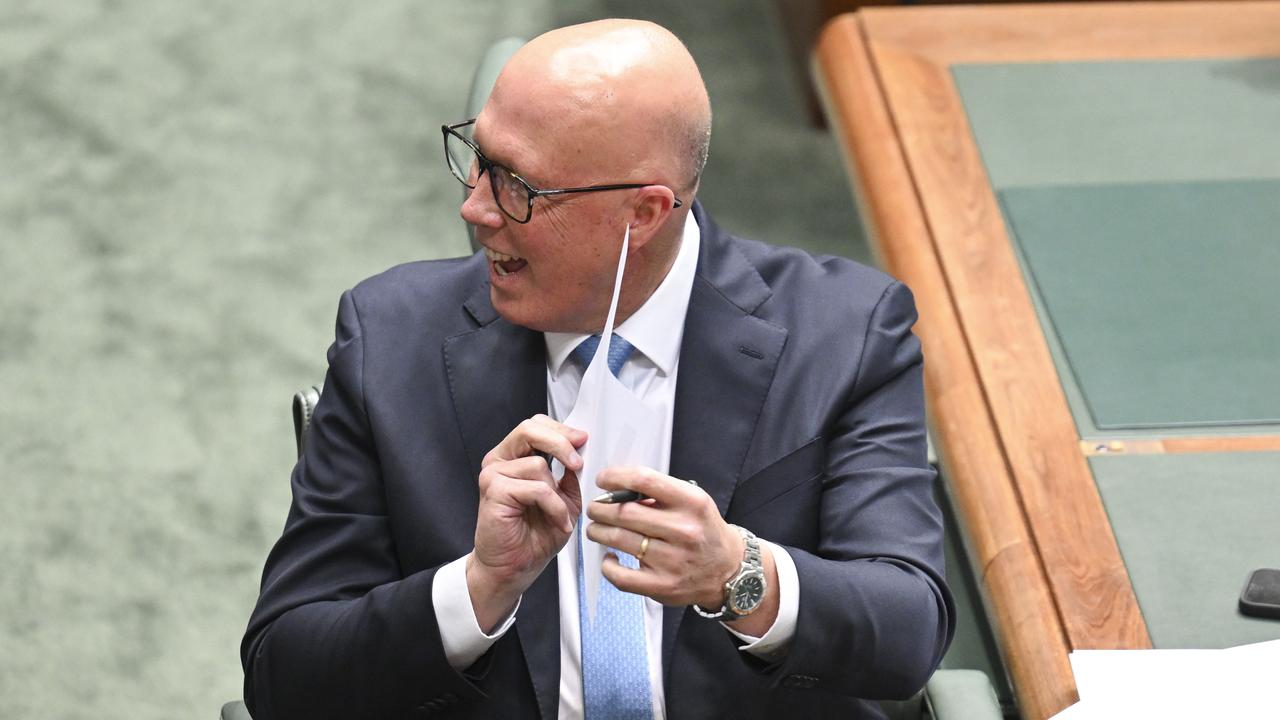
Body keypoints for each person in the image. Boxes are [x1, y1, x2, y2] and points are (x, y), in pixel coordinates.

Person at [242, 18, 953, 720]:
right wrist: (478, 586)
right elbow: (284, 676)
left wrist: (737, 573)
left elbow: (908, 630)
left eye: (517, 185)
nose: (475, 208)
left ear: (642, 213)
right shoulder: (391, 339)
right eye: (478, 159)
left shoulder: (846, 332)